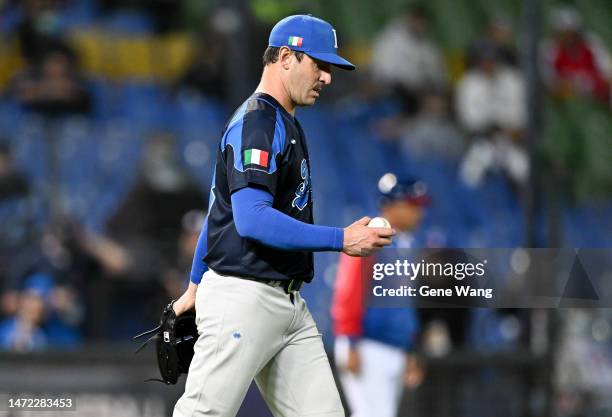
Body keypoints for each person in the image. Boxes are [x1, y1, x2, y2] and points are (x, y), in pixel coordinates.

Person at [169, 15, 396, 417]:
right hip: (244, 296)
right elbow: (251, 219)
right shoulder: (259, 122)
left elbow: (216, 213)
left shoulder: (282, 122)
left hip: (288, 305)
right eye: (319, 64)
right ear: (286, 57)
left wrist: (192, 285)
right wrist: (341, 239)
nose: (327, 77)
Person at [331, 173, 428, 417]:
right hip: (366, 344)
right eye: (413, 205)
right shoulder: (371, 237)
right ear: (392, 205)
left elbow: (403, 306)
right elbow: (349, 290)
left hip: (390, 346)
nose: (419, 213)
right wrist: (350, 340)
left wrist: (409, 349)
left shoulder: (407, 244)